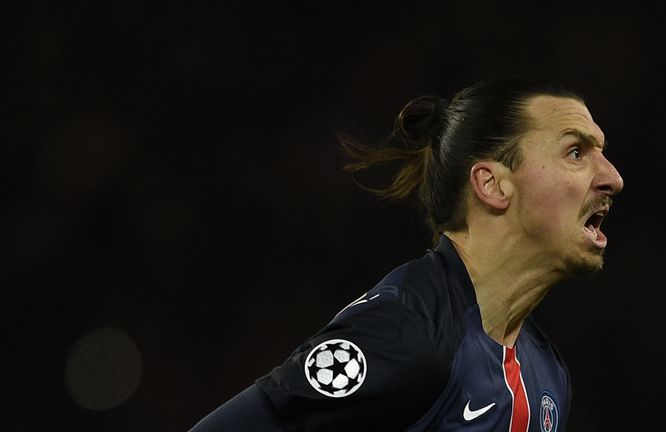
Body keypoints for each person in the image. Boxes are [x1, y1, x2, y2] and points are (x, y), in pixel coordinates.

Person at [188, 78, 624, 431]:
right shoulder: (407, 334)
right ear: (492, 184)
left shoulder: (547, 378)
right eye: (576, 152)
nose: (612, 177)